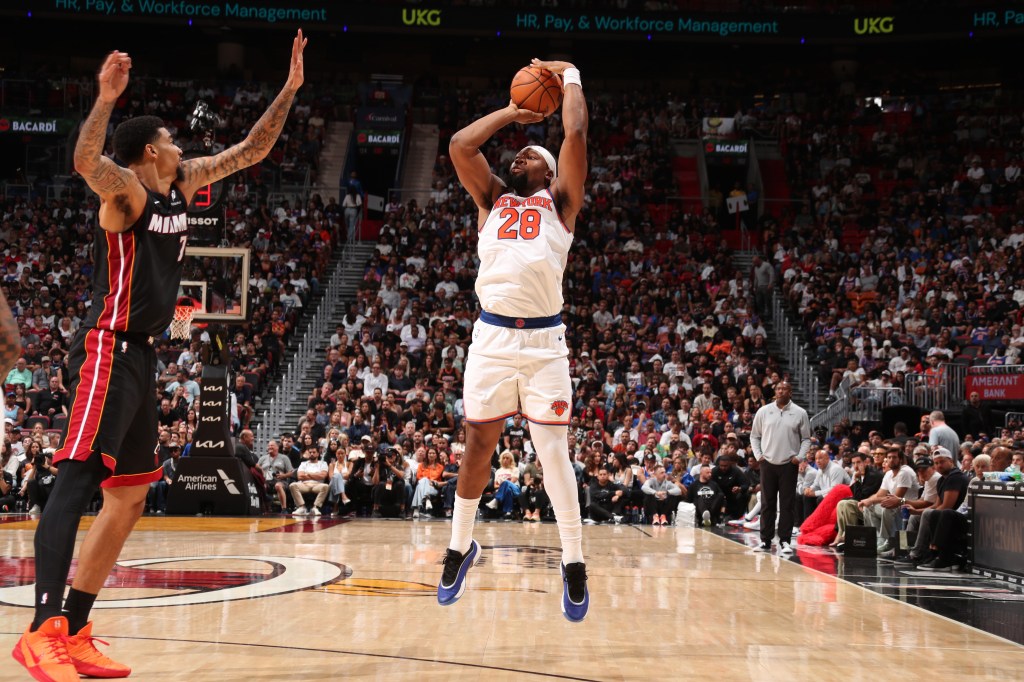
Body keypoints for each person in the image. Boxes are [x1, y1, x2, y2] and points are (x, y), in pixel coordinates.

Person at [15, 32, 307, 681]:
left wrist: (289, 89)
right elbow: (86, 158)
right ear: (151, 150)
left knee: (129, 500)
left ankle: (81, 626)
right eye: (172, 139)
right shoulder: (125, 194)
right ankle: (41, 631)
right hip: (106, 350)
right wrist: (104, 99)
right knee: (77, 479)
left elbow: (252, 149)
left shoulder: (183, 184)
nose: (183, 146)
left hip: (143, 359)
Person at [436, 58, 591, 622]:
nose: (518, 154)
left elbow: (575, 132)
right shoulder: (492, 198)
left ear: (548, 173)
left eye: (530, 153)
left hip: (545, 345)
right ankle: (459, 547)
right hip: (492, 339)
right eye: (518, 152)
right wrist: (512, 111)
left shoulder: (561, 203)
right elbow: (459, 146)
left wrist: (569, 74)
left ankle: (573, 561)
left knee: (553, 456)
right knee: (477, 446)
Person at [749, 381, 811, 554]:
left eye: (784, 389)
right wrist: (758, 456)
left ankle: (784, 541)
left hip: (788, 464)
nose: (780, 391)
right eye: (778, 389)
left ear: (790, 392)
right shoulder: (763, 411)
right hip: (767, 463)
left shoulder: (800, 413)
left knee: (787, 504)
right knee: (767, 503)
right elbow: (754, 436)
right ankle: (765, 541)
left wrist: (799, 457)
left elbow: (806, 438)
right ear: (775, 392)